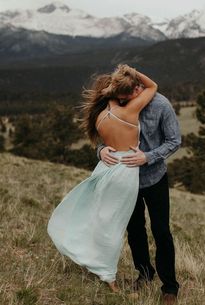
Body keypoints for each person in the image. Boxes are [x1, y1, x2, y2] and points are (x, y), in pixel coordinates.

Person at [47, 64, 158, 293]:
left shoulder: (98, 114)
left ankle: (92, 259)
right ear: (123, 94)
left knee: (99, 218)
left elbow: (104, 144)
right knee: (114, 226)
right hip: (125, 172)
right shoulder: (130, 111)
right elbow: (153, 86)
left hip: (105, 167)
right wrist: (132, 71)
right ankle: (109, 277)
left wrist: (120, 80)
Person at [97, 70, 181, 304]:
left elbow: (174, 141)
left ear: (137, 89)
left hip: (154, 178)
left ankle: (170, 287)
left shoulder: (161, 105)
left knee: (162, 232)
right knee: (134, 230)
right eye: (119, 98)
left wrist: (149, 156)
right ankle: (144, 274)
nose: (121, 101)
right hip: (125, 181)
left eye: (125, 97)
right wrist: (101, 151)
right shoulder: (115, 100)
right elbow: (104, 134)